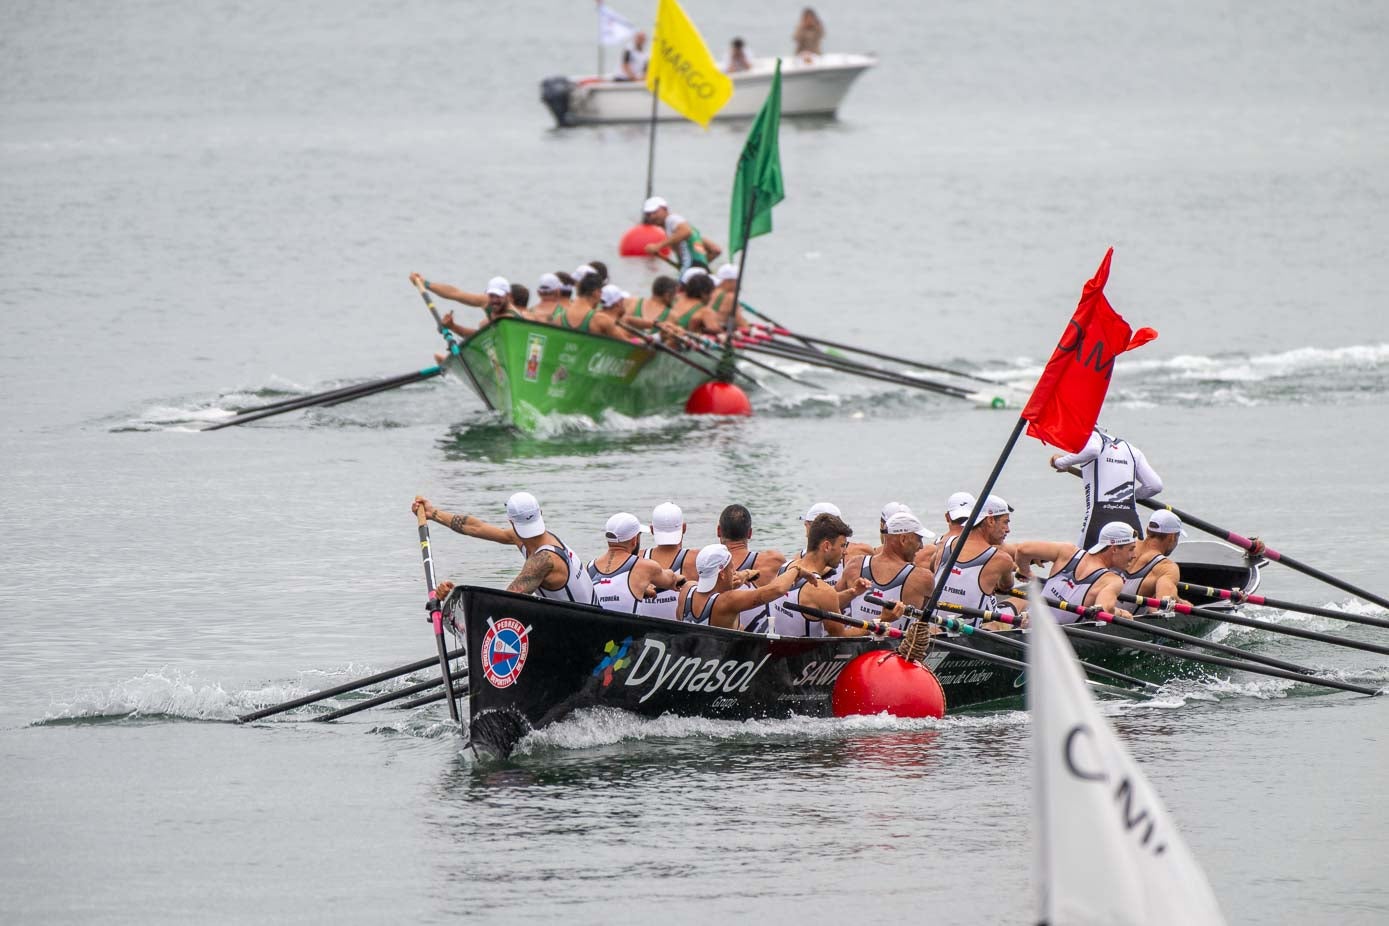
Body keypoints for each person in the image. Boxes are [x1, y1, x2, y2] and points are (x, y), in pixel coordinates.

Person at [415, 492, 594, 604]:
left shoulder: (544, 560)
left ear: (511, 521)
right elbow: (475, 527)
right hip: (585, 615)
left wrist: (453, 596)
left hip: (591, 628)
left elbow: (505, 603)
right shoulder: (540, 538)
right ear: (540, 514)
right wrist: (433, 513)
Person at [1050, 427, 1164, 548]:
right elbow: (1155, 486)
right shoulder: (1132, 450)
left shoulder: (1091, 436)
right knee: (1135, 565)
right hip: (1130, 518)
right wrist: (1129, 496)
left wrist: (1060, 462)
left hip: (1099, 517)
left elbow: (1093, 450)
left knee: (1078, 564)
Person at [933, 494, 1024, 628]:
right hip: (969, 635)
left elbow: (933, 569)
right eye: (1005, 522)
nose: (1008, 530)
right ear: (991, 521)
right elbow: (1005, 587)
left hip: (936, 627)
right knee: (1024, 601)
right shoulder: (1001, 559)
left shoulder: (944, 544)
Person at [1017, 521, 1139, 621]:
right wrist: (1119, 612)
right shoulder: (1111, 581)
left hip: (1024, 625)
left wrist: (1025, 571)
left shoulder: (1067, 551)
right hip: (1053, 644)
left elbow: (1023, 550)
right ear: (1114, 549)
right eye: (1131, 549)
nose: (1134, 555)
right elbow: (1103, 613)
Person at [768, 513, 866, 637]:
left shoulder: (786, 567)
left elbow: (817, 603)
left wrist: (852, 592)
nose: (845, 552)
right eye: (842, 545)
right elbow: (841, 636)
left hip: (780, 650)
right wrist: (875, 625)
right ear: (826, 546)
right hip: (807, 655)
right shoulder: (821, 590)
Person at [840, 511, 935, 633]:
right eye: (919, 539)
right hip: (895, 649)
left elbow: (832, 604)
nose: (921, 546)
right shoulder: (923, 578)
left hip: (853, 646)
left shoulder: (855, 564)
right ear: (903, 539)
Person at [678, 544, 806, 630]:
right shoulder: (727, 600)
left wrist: (746, 574)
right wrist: (795, 569)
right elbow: (777, 590)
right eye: (731, 567)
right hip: (723, 664)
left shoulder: (686, 590)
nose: (734, 571)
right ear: (722, 574)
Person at [587, 512, 686, 614]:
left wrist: (641, 590)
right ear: (634, 540)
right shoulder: (645, 566)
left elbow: (610, 587)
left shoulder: (589, 568)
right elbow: (670, 581)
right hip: (628, 628)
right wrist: (680, 579)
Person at [636, 502, 700, 619]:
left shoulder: (637, 559)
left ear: (652, 530)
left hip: (643, 633)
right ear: (684, 528)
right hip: (679, 635)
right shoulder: (697, 559)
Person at [409, 272, 520, 339]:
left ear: (508, 296)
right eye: (492, 295)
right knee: (484, 324)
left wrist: (453, 327)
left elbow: (480, 337)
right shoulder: (486, 301)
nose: (494, 300)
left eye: (499, 296)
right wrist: (425, 284)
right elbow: (455, 293)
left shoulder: (509, 318)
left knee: (483, 325)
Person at [1120, 510, 1189, 606]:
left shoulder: (1122, 546)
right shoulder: (1166, 567)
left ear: (1147, 530)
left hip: (1099, 610)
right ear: (1172, 537)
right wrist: (1180, 603)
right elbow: (1164, 603)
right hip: (1126, 618)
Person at [641, 196, 723, 272]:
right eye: (648, 214)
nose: (652, 217)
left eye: (655, 212)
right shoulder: (684, 229)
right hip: (697, 270)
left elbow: (686, 231)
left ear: (665, 209)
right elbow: (716, 250)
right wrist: (699, 265)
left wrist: (658, 246)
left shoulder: (672, 220)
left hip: (691, 270)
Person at [550, 270, 617, 336]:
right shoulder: (601, 319)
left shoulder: (559, 318)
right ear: (596, 292)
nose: (601, 295)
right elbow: (625, 343)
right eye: (601, 292)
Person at [660, 269, 720, 336]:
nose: (712, 296)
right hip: (677, 340)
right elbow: (717, 331)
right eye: (712, 292)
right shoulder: (705, 311)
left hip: (660, 332)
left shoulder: (675, 297)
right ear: (704, 293)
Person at [708, 263, 749, 330]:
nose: (739, 286)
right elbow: (741, 323)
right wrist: (751, 329)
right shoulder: (730, 297)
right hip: (717, 330)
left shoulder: (711, 291)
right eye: (738, 281)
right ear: (729, 281)